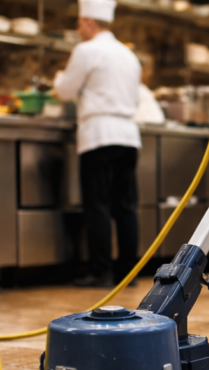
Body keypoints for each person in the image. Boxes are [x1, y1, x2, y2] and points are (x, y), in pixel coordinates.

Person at [54, 0, 142, 287]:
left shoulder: (86, 50)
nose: (79, 30)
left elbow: (66, 91)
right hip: (128, 135)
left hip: (99, 135)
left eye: (79, 24)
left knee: (98, 205)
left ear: (89, 23)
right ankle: (128, 273)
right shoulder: (129, 55)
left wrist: (57, 81)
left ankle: (100, 272)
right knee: (125, 206)